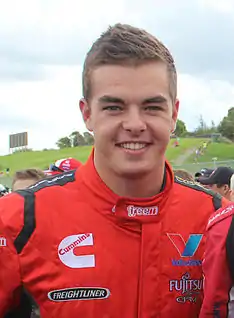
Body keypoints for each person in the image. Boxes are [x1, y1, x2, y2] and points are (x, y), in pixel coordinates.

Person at [0, 23, 229, 318]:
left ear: (174, 114)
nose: (134, 124)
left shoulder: (217, 221)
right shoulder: (16, 222)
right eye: (114, 107)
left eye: (151, 107)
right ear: (87, 114)